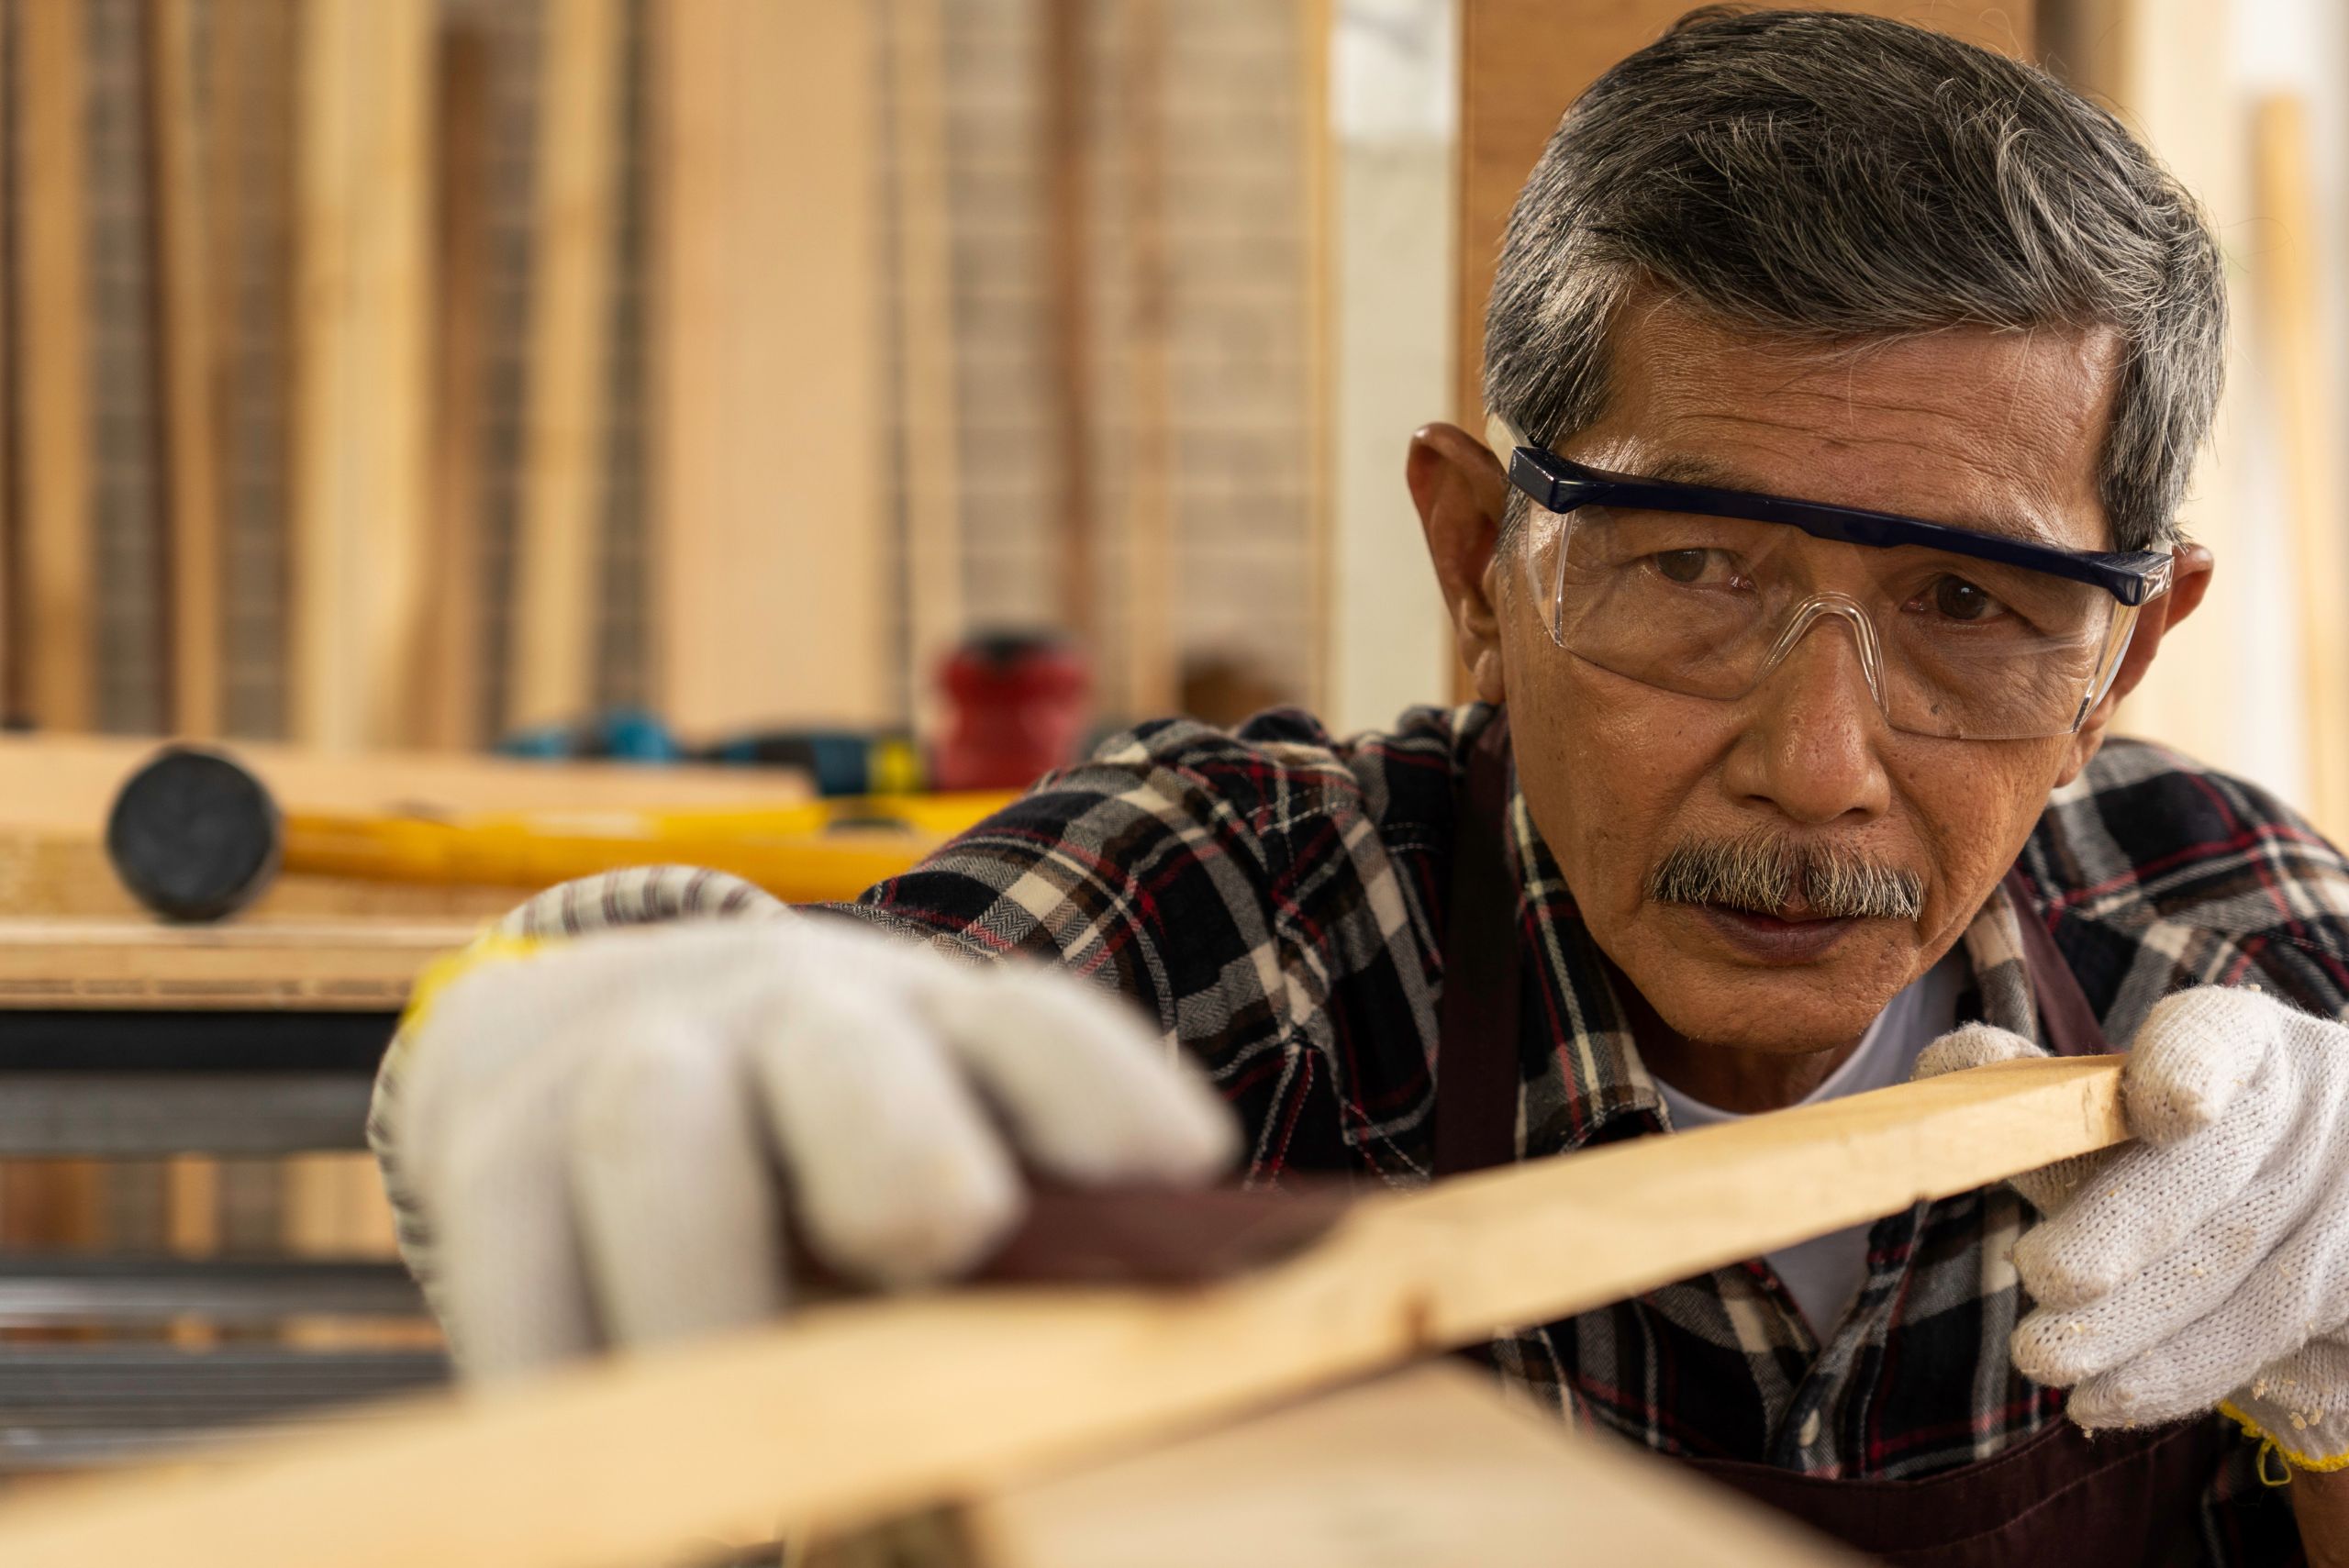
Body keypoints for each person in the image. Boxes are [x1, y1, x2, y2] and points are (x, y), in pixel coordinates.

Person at [370, 11, 2349, 1562]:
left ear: (2128, 652)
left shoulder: (2234, 948)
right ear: (1473, 562)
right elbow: (850, 1036)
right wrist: (578, 1029)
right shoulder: (1255, 917)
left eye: (1965, 607)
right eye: (1690, 572)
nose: (1815, 765)